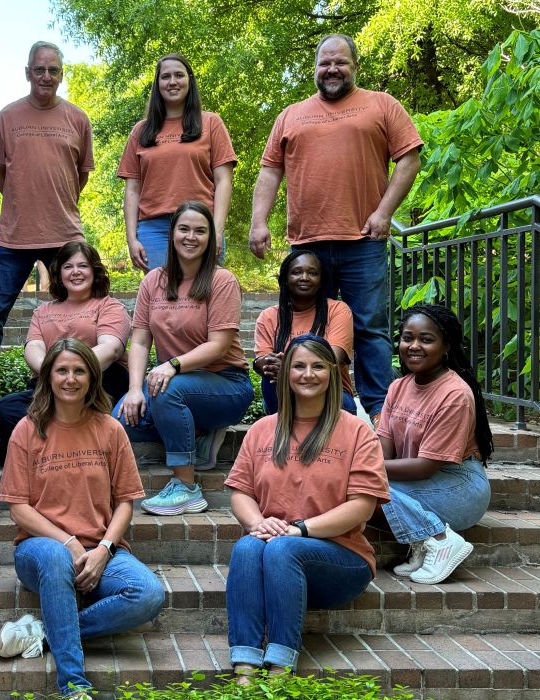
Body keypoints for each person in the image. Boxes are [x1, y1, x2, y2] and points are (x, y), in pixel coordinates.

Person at [248, 34, 423, 425]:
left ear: (355, 66)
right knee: (306, 328)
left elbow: (409, 159)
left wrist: (384, 212)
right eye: (324, 63)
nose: (332, 69)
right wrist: (258, 222)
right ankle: (317, 406)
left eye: (340, 62)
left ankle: (379, 412)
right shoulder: (291, 115)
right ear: (315, 68)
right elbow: (270, 170)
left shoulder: (381, 104)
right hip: (306, 246)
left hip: (364, 239)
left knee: (369, 329)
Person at [0, 338, 164, 698]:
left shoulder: (109, 428)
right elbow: (18, 507)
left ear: (91, 377)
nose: (70, 379)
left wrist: (104, 548)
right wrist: (68, 541)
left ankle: (43, 631)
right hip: (39, 550)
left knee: (148, 594)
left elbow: (125, 502)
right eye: (62, 370)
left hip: (101, 551)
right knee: (56, 557)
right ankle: (74, 684)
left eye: (79, 371)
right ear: (48, 376)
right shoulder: (28, 430)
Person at [225, 335, 389, 679]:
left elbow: (362, 506)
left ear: (332, 373)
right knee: (245, 547)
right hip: (277, 548)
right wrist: (259, 523)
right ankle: (244, 662)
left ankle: (281, 663)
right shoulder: (262, 430)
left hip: (341, 559)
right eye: (298, 366)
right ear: (285, 373)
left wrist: (299, 529)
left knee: (282, 549)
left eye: (317, 366)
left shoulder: (358, 432)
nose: (307, 374)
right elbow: (240, 491)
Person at [114, 200, 253, 515]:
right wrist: (135, 390)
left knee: (167, 389)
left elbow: (219, 345)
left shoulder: (222, 281)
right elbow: (138, 340)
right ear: (172, 233)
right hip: (176, 382)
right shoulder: (153, 281)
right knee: (120, 420)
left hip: (226, 384)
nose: (191, 237)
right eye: (184, 229)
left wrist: (172, 365)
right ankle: (199, 434)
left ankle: (186, 486)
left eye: (200, 231)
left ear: (210, 238)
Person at [0, 41, 95, 364]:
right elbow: (1, 174)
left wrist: (55, 200)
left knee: (83, 311)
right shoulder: (7, 117)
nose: (46, 76)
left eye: (53, 70)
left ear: (61, 74)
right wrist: (25, 201)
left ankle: (77, 378)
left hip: (65, 235)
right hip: (15, 236)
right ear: (28, 72)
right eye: (39, 69)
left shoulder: (78, 119)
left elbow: (80, 176)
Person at [376, 304, 493, 585]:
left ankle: (440, 539)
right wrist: (367, 466)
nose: (413, 346)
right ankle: (422, 538)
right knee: (357, 483)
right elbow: (384, 447)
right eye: (407, 338)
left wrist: (362, 468)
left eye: (426, 339)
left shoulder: (454, 394)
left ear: (446, 346)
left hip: (460, 487)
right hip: (418, 480)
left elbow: (426, 466)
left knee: (361, 485)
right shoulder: (399, 387)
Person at [0, 241, 130, 450]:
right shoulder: (43, 311)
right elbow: (33, 348)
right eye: (68, 267)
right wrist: (54, 374)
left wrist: (70, 372)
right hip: (49, 386)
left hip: (97, 385)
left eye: (83, 266)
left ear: (95, 271)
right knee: (6, 409)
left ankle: (62, 442)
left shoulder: (109, 306)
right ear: (59, 273)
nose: (75, 272)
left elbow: (110, 349)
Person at [119, 53, 236, 271]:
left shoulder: (211, 123)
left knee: (202, 296)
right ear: (158, 84)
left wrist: (217, 231)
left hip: (200, 226)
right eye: (165, 77)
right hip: (153, 230)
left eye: (179, 75)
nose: (172, 82)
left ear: (189, 80)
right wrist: (131, 238)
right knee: (162, 299)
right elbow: (132, 190)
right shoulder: (141, 131)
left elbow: (224, 181)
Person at [254, 249, 356, 414]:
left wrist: (289, 367)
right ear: (285, 279)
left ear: (321, 280)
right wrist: (268, 364)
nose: (304, 277)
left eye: (312, 273)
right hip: (283, 395)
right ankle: (283, 435)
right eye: (297, 272)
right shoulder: (268, 317)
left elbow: (332, 359)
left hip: (333, 397)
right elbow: (262, 361)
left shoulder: (337, 310)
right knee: (271, 377)